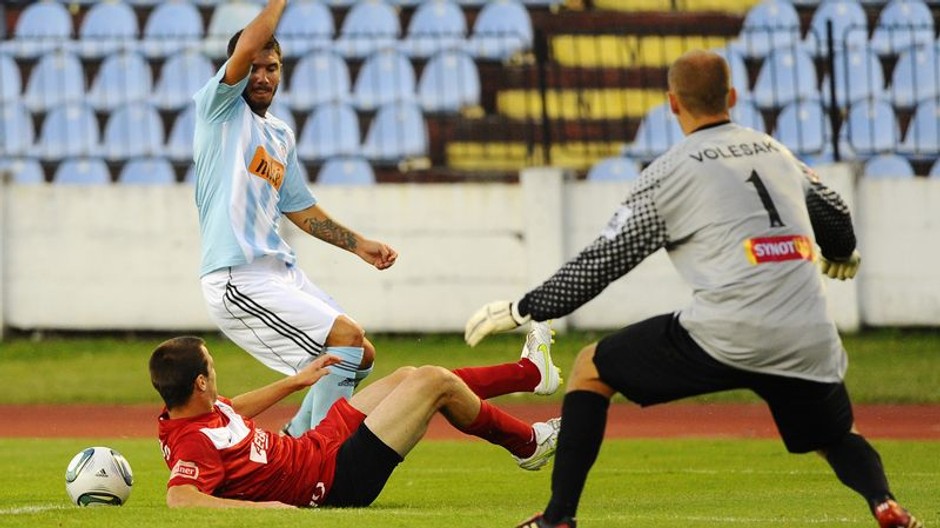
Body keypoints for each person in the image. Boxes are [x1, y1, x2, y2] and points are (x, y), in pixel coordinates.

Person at [464, 50, 923, 528]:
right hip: (807, 335)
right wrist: (842, 251)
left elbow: (606, 259)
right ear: (732, 97)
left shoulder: (671, 171)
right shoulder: (775, 151)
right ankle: (884, 503)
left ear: (672, 103)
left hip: (726, 331)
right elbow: (835, 212)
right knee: (835, 436)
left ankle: (558, 518)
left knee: (590, 367)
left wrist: (525, 307)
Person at [191, 0, 397, 437]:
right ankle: (318, 457)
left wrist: (359, 244)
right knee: (344, 337)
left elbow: (299, 207)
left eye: (273, 67)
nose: (263, 76)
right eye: (255, 66)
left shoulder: (280, 134)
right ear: (238, 67)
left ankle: (296, 437)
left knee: (361, 354)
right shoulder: (221, 111)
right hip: (237, 277)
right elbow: (246, 48)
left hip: (279, 273)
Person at [150, 322, 562, 508]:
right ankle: (528, 442)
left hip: (316, 445)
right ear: (200, 384)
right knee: (434, 382)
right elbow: (181, 497)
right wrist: (264, 510)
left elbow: (233, 409)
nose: (216, 372)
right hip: (334, 479)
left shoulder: (195, 409)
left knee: (410, 376)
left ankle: (530, 374)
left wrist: (298, 382)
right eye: (211, 367)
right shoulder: (192, 440)